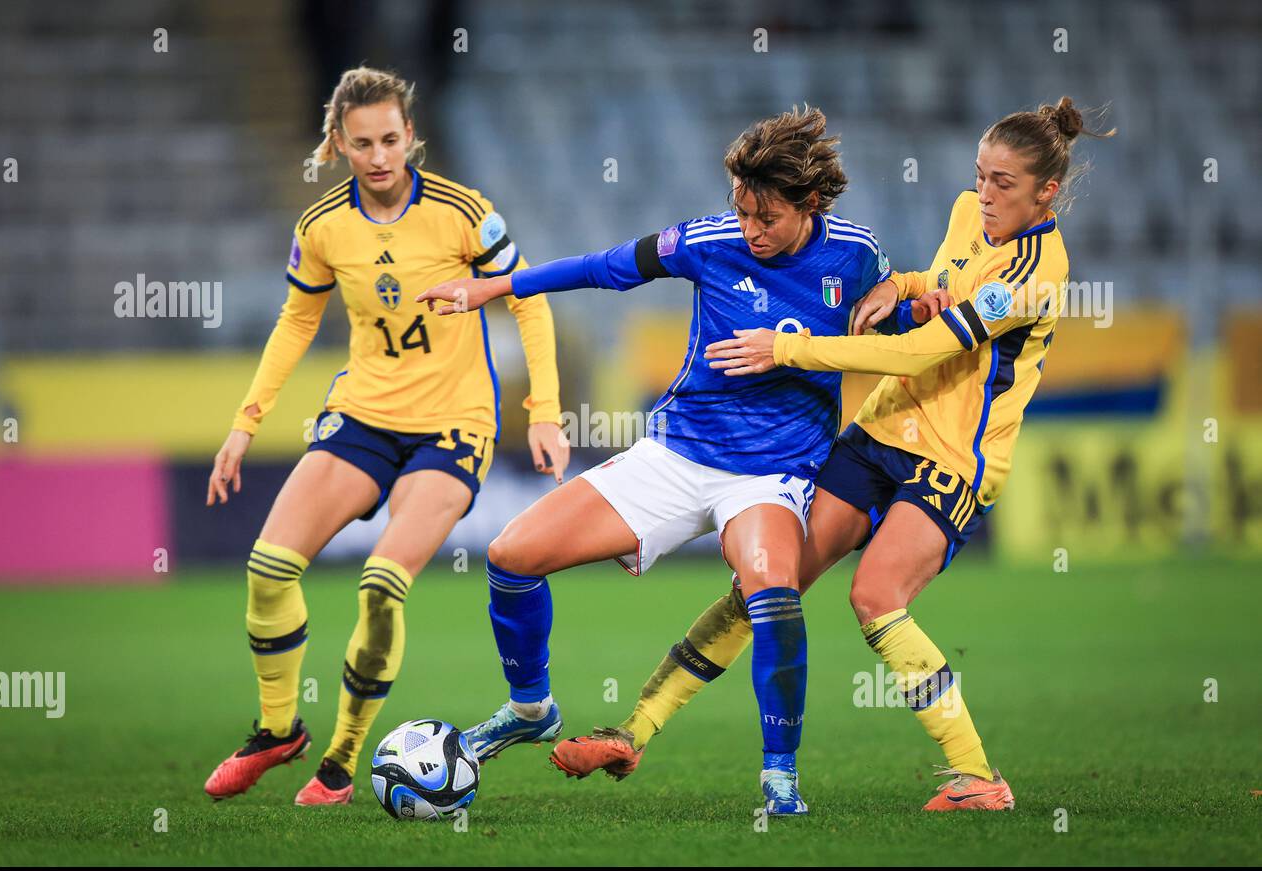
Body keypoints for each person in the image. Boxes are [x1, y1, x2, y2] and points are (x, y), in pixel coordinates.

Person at [555, 97, 1111, 813]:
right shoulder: (966, 216)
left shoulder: (1038, 269)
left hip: (952, 461)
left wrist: (787, 348)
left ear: (1047, 192)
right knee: (767, 589)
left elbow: (917, 351)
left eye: (1004, 184)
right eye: (980, 175)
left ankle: (979, 778)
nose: (985, 195)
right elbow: (936, 289)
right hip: (879, 433)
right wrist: (899, 285)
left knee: (876, 597)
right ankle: (634, 731)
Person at [420, 106, 897, 814]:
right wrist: (493, 287)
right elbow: (605, 268)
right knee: (510, 554)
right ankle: (529, 710)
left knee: (772, 589)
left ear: (811, 204)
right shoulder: (709, 240)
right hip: (676, 455)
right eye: (742, 212)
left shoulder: (854, 255)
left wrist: (901, 288)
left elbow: (916, 300)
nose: (750, 230)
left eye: (766, 217)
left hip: (775, 473)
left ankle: (779, 778)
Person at [201, 66, 568, 806]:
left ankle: (340, 760)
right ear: (338, 143)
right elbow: (297, 319)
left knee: (380, 585)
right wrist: (244, 425)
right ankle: (278, 731)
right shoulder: (322, 227)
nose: (378, 156)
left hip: (453, 425)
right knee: (269, 569)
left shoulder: (465, 213)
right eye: (362, 142)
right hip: (362, 417)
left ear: (412, 138)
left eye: (391, 140)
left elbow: (527, 301)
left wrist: (547, 410)